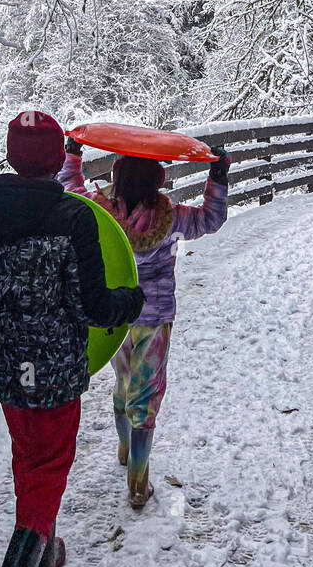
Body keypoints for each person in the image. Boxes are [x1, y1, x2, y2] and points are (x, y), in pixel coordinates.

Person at [0, 110, 145, 567]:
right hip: (55, 378)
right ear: (58, 159)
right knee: (46, 475)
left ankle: (43, 563)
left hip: (8, 374)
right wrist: (132, 299)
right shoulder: (74, 220)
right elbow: (97, 308)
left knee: (28, 462)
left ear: (13, 157)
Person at [59, 137, 229, 509]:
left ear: (116, 178)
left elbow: (69, 188)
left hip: (116, 317)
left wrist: (73, 155)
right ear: (157, 182)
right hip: (155, 319)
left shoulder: (100, 213)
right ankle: (138, 483)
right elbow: (211, 218)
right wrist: (217, 175)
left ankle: (124, 449)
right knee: (146, 395)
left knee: (122, 384)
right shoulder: (173, 219)